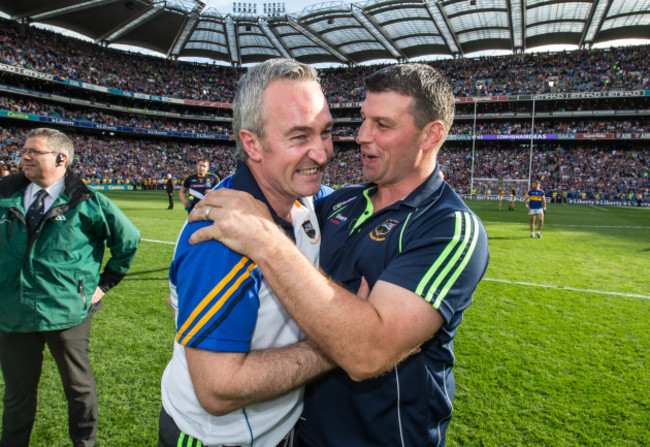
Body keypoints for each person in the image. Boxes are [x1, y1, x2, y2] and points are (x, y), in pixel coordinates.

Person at [190, 64, 490, 447]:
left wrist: (265, 240)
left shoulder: (449, 229)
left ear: (431, 135)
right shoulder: (336, 202)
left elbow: (367, 354)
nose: (361, 137)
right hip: (299, 433)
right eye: (363, 120)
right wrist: (194, 283)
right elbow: (276, 193)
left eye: (382, 125)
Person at [159, 59, 338, 447]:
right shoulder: (221, 240)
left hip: (279, 427)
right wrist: (339, 344)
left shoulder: (303, 195)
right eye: (299, 136)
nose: (322, 154)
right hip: (220, 439)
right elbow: (219, 389)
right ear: (252, 143)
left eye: (326, 132)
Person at [0, 128, 140, 447]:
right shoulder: (4, 193)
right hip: (12, 313)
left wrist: (106, 283)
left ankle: (84, 442)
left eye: (34, 152)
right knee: (17, 395)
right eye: (24, 150)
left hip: (67, 312)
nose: (25, 156)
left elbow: (128, 240)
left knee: (78, 389)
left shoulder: (88, 201)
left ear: (61, 159)